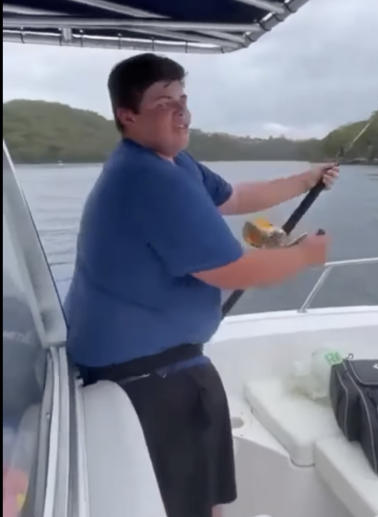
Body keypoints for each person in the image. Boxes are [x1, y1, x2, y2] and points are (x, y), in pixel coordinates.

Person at [62, 53, 337, 517]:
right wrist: (303, 256)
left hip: (157, 364)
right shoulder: (146, 178)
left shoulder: (171, 162)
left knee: (199, 501)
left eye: (183, 99)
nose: (182, 111)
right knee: (189, 506)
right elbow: (231, 270)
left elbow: (234, 197)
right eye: (165, 102)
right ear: (126, 115)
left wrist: (305, 179)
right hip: (147, 380)